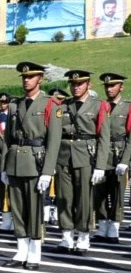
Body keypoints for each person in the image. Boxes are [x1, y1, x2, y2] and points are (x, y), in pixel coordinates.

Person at [0, 62, 63, 270]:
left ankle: (35, 252)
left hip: (36, 163)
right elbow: (7, 139)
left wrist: (47, 172)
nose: (26, 80)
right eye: (24, 77)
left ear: (40, 79)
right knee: (18, 208)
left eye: (31, 77)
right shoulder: (14, 105)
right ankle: (21, 250)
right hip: (15, 162)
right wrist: (3, 168)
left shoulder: (50, 105)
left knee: (34, 209)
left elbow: (53, 142)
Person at [54, 70, 111, 254]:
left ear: (89, 85)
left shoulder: (99, 105)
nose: (76, 86)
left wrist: (101, 166)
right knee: (64, 198)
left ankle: (84, 236)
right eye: (72, 83)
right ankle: (67, 236)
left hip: (86, 155)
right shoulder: (63, 105)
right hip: (63, 156)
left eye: (80, 83)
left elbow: (104, 138)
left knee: (84, 198)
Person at [94, 73, 130, 243]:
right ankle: (102, 226)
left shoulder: (128, 107)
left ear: (121, 87)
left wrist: (125, 161)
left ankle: (114, 227)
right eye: (107, 86)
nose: (109, 89)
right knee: (99, 192)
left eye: (113, 86)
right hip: (101, 154)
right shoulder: (100, 106)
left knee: (117, 193)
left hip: (118, 154)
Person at [0, 93, 14, 231]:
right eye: (1, 103)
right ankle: (5, 219)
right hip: (0, 157)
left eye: (6, 102)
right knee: (2, 190)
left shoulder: (14, 116)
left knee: (14, 191)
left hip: (13, 156)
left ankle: (15, 219)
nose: (3, 105)